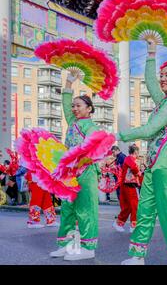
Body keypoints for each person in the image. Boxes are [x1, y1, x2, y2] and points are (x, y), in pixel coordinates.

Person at [117, 41, 167, 265]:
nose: (162, 78)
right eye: (162, 75)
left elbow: (150, 129)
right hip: (152, 164)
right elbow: (150, 82)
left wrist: (122, 135)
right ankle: (138, 256)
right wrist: (151, 53)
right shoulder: (164, 102)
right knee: (146, 209)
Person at [49, 72, 101, 261]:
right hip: (69, 174)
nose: (74, 108)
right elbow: (65, 104)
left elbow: (95, 150)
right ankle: (65, 244)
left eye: (78, 106)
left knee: (86, 209)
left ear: (89, 109)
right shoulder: (72, 123)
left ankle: (88, 247)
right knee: (67, 208)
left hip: (86, 172)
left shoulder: (92, 128)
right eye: (74, 106)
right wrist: (69, 82)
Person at [113, 144, 141, 233]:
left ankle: (119, 223)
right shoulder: (129, 158)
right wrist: (138, 172)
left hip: (128, 185)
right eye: (137, 152)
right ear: (135, 152)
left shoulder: (131, 159)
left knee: (128, 207)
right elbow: (134, 168)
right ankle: (133, 226)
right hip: (128, 185)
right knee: (134, 205)